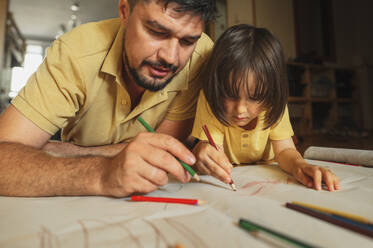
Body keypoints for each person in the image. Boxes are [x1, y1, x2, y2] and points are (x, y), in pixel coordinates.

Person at [0, 0, 217, 197]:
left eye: (187, 41)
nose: (170, 57)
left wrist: (70, 152)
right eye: (156, 32)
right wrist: (102, 174)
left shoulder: (200, 55)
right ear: (124, 11)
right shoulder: (75, 52)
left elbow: (165, 151)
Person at [191, 24, 340, 191]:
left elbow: (284, 151)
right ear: (217, 86)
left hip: (268, 173)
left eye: (254, 98)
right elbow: (214, 152)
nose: (240, 109)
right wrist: (207, 156)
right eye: (230, 94)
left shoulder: (272, 103)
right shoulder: (212, 99)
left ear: (272, 92)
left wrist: (299, 165)